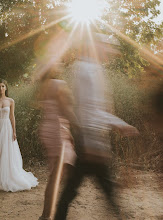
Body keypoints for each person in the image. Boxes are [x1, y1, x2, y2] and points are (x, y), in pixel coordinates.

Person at [53, 31, 139, 220]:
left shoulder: (94, 69)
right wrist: (116, 126)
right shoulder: (85, 69)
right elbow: (88, 109)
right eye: (107, 47)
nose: (110, 51)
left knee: (83, 188)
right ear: (96, 47)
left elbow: (95, 108)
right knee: (94, 188)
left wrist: (117, 126)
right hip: (89, 139)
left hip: (92, 139)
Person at [37, 67, 79, 220]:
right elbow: (67, 109)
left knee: (60, 173)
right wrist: (79, 127)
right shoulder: (59, 84)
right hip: (57, 130)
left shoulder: (44, 86)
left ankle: (49, 214)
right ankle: (47, 216)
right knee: (57, 174)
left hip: (48, 128)